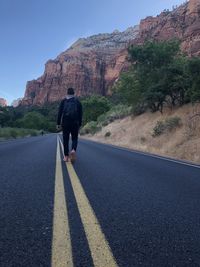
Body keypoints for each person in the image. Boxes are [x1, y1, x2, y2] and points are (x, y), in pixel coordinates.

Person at [57, 88, 82, 162]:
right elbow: (80, 114)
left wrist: (58, 123)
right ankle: (73, 150)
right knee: (74, 138)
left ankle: (66, 156)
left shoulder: (63, 101)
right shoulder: (77, 102)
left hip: (65, 123)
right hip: (75, 123)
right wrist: (79, 123)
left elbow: (59, 113)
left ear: (67, 93)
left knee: (65, 139)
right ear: (74, 93)